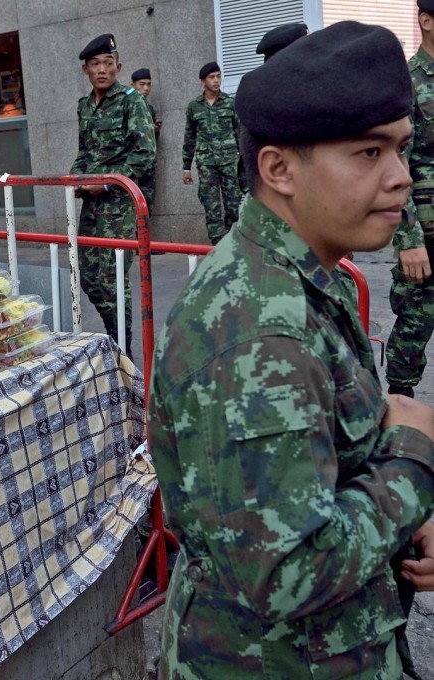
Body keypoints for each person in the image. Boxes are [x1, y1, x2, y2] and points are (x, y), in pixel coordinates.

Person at [149, 22, 434, 678]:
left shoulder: (305, 267)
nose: (400, 179)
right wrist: (414, 460)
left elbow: (318, 479)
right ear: (278, 168)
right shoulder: (259, 331)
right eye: (369, 154)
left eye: (402, 149)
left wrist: (408, 522)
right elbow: (289, 572)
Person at [69, 33, 156, 354]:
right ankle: (113, 331)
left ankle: (123, 347)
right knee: (87, 274)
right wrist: (75, 179)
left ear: (118, 66)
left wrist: (106, 182)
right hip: (91, 205)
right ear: (85, 70)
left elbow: (145, 153)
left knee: (113, 275)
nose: (102, 69)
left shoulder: (132, 100)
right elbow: (84, 152)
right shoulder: (84, 106)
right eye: (95, 64)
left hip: (119, 204)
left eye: (108, 63)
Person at [387, 0, 434, 399]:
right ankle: (401, 419)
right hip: (427, 232)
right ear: (426, 21)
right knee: (414, 327)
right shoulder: (407, 83)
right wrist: (410, 240)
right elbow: (395, 165)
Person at [181, 61, 242, 245]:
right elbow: (189, 137)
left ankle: (232, 243)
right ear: (203, 81)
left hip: (230, 161)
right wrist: (186, 167)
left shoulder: (230, 103)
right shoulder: (194, 106)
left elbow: (240, 133)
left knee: (233, 204)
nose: (216, 81)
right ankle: (217, 244)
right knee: (211, 205)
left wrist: (245, 162)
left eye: (218, 76)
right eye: (212, 77)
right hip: (206, 163)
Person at [130, 67, 161, 210]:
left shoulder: (149, 108)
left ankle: (143, 232)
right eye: (141, 84)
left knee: (146, 205)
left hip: (148, 165)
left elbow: (152, 141)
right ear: (133, 85)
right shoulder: (127, 105)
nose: (146, 88)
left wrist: (155, 131)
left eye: (148, 84)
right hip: (131, 164)